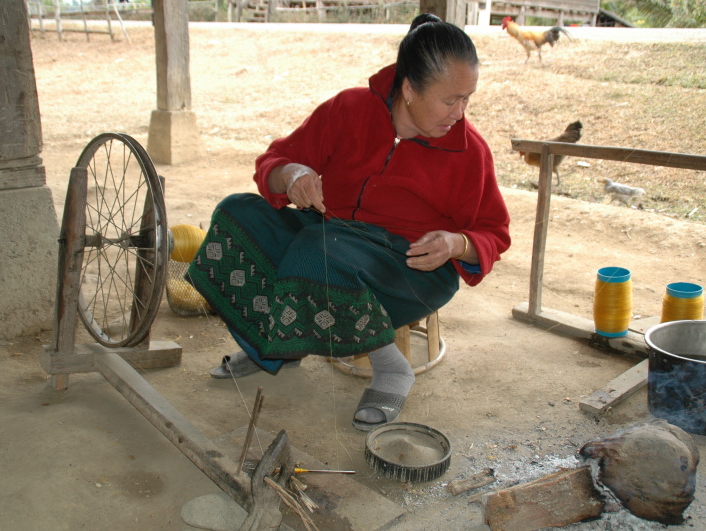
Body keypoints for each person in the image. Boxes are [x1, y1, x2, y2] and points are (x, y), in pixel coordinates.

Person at [186, 14, 510, 431]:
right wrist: (294, 176)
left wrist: (455, 243)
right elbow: (275, 161)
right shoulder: (349, 110)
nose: (460, 113)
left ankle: (392, 369)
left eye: (468, 98)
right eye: (450, 100)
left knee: (319, 250)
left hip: (407, 269)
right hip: (325, 239)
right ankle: (274, 342)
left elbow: (494, 232)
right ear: (409, 88)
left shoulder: (470, 152)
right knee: (237, 212)